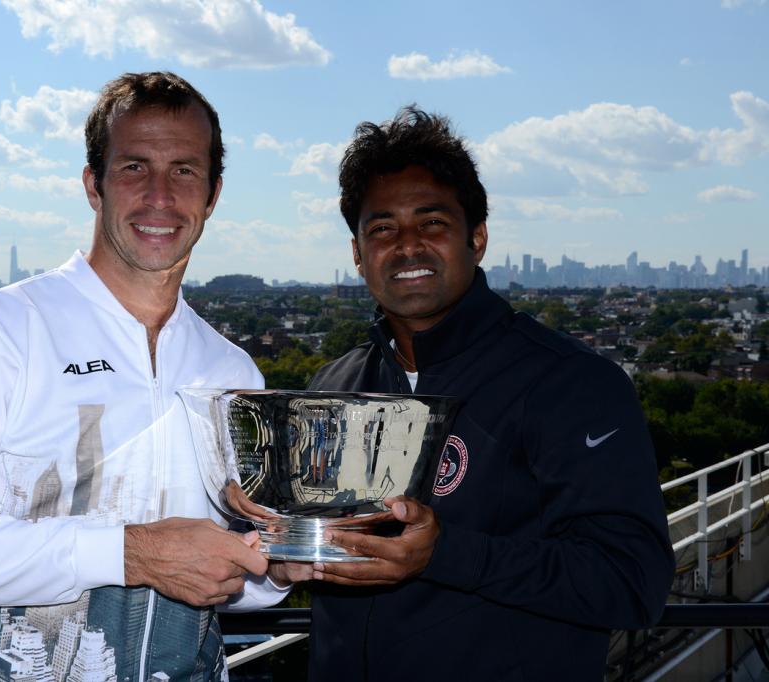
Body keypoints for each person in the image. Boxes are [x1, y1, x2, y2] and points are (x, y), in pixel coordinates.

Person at [0, 71, 288, 682]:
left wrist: (273, 572)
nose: (159, 196)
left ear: (213, 192)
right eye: (134, 167)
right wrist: (131, 554)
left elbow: (226, 581)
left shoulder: (231, 370)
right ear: (93, 184)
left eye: (184, 170)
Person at [276, 106, 675, 680]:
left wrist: (445, 554)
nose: (407, 245)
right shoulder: (331, 388)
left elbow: (631, 582)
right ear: (359, 254)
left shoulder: (571, 383)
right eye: (382, 228)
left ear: (477, 238)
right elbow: (312, 550)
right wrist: (279, 545)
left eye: (432, 222)